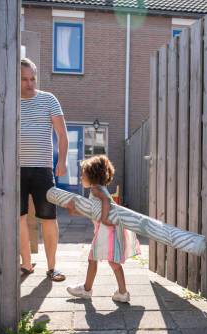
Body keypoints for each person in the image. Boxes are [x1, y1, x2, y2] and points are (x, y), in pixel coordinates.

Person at [65, 155, 141, 302]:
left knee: (93, 258)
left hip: (105, 231)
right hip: (108, 231)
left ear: (92, 176)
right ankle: (122, 292)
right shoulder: (101, 189)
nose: (81, 177)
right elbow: (93, 211)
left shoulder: (96, 190)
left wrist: (105, 218)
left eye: (83, 174)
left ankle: (87, 290)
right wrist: (73, 210)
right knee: (111, 261)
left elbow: (105, 203)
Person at [20, 57, 67, 282]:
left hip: (43, 169)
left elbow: (62, 134)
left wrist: (62, 161)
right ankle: (26, 264)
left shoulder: (49, 100)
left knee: (48, 217)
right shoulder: (9, 100)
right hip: (15, 170)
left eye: (32, 78)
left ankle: (52, 267)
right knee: (18, 217)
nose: (29, 83)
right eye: (24, 79)